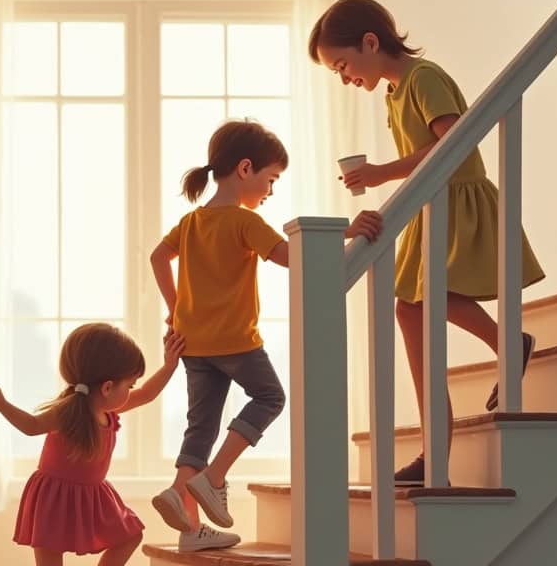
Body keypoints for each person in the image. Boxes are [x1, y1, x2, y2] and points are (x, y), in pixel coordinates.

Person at [308, 0, 545, 485]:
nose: (344, 78)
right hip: (430, 208)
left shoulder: (423, 77)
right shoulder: (394, 94)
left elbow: (452, 144)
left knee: (426, 300)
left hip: (456, 202)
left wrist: (381, 173)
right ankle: (435, 452)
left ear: (370, 42)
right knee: (409, 311)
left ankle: (508, 343)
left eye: (343, 65)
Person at [149, 120, 383, 542]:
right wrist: (346, 233)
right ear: (245, 169)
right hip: (235, 341)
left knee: (200, 426)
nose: (270, 191)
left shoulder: (191, 222)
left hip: (193, 343)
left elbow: (157, 258)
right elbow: (293, 257)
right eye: (270, 180)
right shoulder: (244, 222)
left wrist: (175, 309)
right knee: (270, 397)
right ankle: (214, 478)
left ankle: (185, 513)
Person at [0, 323, 188, 564]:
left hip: (92, 494)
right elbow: (31, 426)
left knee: (130, 536)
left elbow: (147, 393)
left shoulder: (108, 409)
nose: (132, 390)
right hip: (53, 498)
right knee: (50, 556)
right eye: (130, 385)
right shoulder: (68, 412)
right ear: (107, 387)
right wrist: (0, 402)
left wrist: (169, 366)